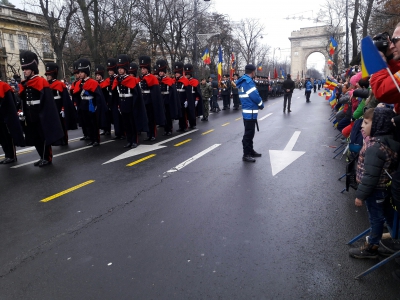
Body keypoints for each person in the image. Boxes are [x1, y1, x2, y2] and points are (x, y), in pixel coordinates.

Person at [348, 107, 400, 259]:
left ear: (378, 124)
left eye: (365, 122)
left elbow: (370, 176)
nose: (362, 126)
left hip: (374, 191)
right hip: (385, 190)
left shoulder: (375, 147)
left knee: (376, 219)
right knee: (387, 216)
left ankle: (372, 247)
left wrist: (360, 196)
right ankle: (394, 239)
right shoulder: (389, 142)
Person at [18, 50, 64, 167]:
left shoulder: (41, 81)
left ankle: (47, 157)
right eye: (24, 69)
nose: (25, 71)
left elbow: (47, 101)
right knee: (36, 138)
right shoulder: (25, 83)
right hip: (30, 114)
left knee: (43, 137)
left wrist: (44, 114)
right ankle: (41, 157)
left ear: (33, 69)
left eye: (27, 69)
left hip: (40, 113)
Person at [113, 54, 148, 148]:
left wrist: (134, 105)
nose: (119, 70)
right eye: (118, 68)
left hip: (130, 102)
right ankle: (129, 140)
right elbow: (116, 93)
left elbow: (136, 94)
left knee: (132, 123)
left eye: (121, 68)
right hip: (122, 102)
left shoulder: (131, 79)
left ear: (125, 68)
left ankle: (134, 141)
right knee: (126, 124)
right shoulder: (117, 79)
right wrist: (117, 105)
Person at [73, 58, 107, 147]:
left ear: (86, 72)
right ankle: (91, 138)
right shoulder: (79, 83)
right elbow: (76, 94)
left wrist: (96, 106)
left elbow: (98, 96)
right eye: (79, 72)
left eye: (81, 72)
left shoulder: (93, 82)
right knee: (87, 123)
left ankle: (96, 139)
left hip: (91, 105)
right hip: (83, 105)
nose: (79, 74)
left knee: (93, 124)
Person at [236, 64, 264, 163]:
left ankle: (250, 151)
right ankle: (246, 154)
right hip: (250, 111)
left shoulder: (243, 81)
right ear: (253, 72)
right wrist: (261, 104)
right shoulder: (248, 82)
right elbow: (255, 96)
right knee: (248, 134)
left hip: (248, 111)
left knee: (250, 132)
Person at [45, 62, 78, 145]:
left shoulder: (60, 84)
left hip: (58, 105)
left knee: (62, 124)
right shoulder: (46, 85)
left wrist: (63, 108)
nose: (47, 76)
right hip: (51, 106)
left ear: (53, 74)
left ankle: (64, 139)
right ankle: (57, 139)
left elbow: (65, 98)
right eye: (47, 74)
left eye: (49, 74)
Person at [0, 69, 25, 164]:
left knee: (8, 137)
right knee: (2, 138)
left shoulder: (4, 86)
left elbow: (10, 103)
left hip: (5, 116)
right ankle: (7, 155)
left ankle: (12, 156)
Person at [139, 55, 165, 140]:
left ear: (147, 69)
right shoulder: (140, 78)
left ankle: (153, 134)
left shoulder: (152, 78)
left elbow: (155, 92)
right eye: (141, 69)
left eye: (144, 68)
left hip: (150, 100)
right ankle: (148, 134)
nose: (142, 70)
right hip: (143, 100)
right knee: (146, 118)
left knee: (151, 118)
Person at [156, 59, 180, 135]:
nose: (160, 73)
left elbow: (172, 91)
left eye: (162, 71)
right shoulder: (157, 80)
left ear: (164, 72)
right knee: (163, 114)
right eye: (159, 71)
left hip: (167, 99)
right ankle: (165, 129)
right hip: (161, 99)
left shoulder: (169, 80)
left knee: (168, 115)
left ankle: (169, 129)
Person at [184, 63, 203, 128]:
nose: (187, 75)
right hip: (186, 97)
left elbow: (197, 91)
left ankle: (192, 123)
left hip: (192, 97)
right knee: (186, 111)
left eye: (188, 74)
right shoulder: (184, 81)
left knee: (192, 111)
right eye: (186, 74)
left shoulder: (195, 81)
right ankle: (187, 123)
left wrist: (197, 99)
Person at [95, 65, 111, 136]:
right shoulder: (96, 84)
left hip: (105, 102)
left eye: (98, 75)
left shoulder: (105, 83)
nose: (97, 76)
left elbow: (107, 94)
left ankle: (108, 130)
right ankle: (104, 129)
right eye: (96, 75)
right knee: (102, 117)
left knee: (106, 117)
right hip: (99, 103)